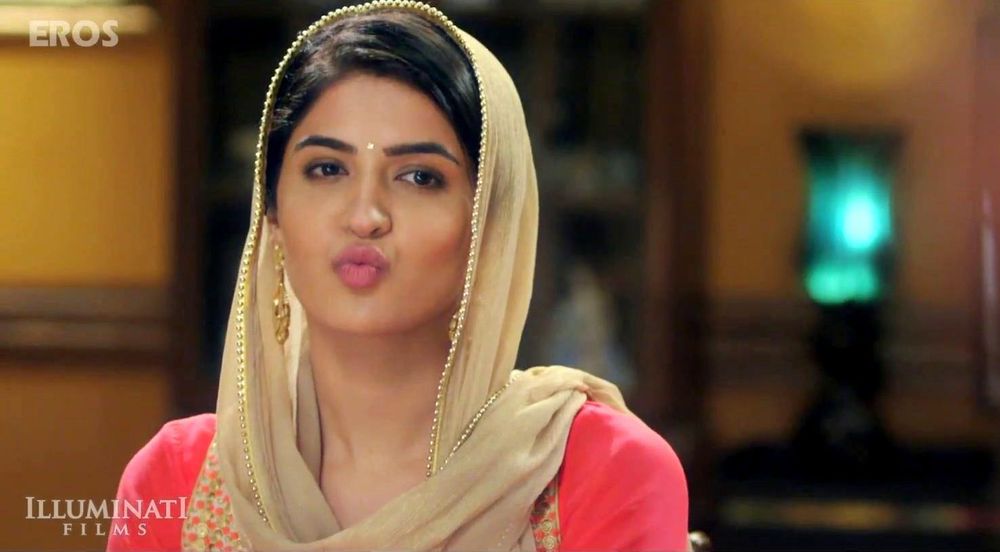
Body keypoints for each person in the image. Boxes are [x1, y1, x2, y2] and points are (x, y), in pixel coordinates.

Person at [108, 2, 688, 550]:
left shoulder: (600, 471)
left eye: (419, 177)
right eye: (326, 169)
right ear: (273, 215)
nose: (365, 216)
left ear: (489, 226)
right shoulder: (178, 481)